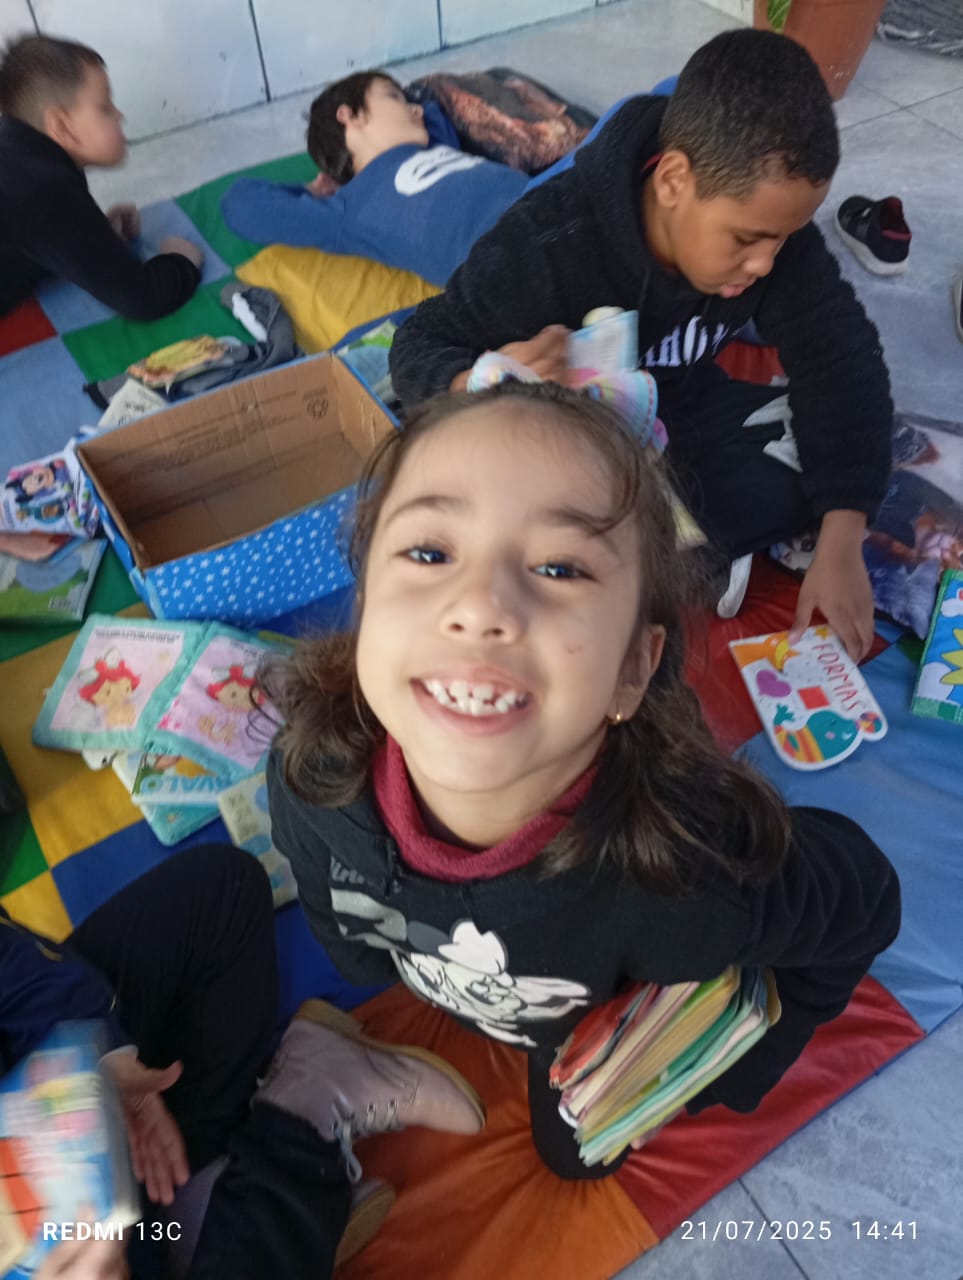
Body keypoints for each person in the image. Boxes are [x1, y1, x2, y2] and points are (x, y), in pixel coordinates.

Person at [264, 379, 900, 1184]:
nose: (479, 606)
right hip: (493, 984)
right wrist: (357, 960)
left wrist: (750, 1062)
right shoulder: (309, 775)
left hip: (584, 1026)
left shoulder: (686, 877)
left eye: (559, 568)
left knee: (579, 1161)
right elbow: (339, 923)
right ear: (364, 605)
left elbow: (864, 898)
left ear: (634, 668)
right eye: (429, 553)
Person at [388, 29, 895, 661]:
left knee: (837, 458)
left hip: (674, 419)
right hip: (575, 446)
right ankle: (665, 556)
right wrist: (486, 377)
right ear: (674, 180)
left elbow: (842, 357)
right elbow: (417, 344)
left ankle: (667, 554)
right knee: (517, 520)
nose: (765, 264)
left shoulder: (771, 237)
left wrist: (842, 543)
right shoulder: (548, 245)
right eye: (746, 240)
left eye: (783, 239)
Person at [3, 843, 483, 1279]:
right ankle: (288, 1145)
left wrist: (102, 1060)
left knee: (220, 897)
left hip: (58, 1150)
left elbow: (16, 964)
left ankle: (203, 1206)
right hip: (68, 1239)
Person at [220, 70, 529, 288]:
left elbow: (433, 106)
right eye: (395, 98)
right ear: (349, 115)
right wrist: (310, 192)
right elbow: (238, 204)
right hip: (505, 257)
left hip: (541, 199)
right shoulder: (348, 209)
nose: (417, 110)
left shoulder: (438, 145)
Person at [0, 34, 203, 320]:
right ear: (61, 126)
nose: (120, 115)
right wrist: (181, 261)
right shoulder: (45, 188)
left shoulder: (17, 148)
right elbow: (144, 298)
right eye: (105, 107)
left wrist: (96, 237)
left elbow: (33, 237)